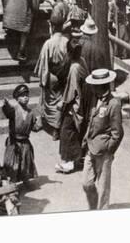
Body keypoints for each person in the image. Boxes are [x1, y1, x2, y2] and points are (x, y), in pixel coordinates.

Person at [81, 68, 124, 210]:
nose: (92, 87)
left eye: (94, 85)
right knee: (86, 183)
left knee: (104, 187)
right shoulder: (94, 98)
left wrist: (109, 149)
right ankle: (93, 208)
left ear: (101, 85)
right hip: (90, 147)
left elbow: (117, 132)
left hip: (104, 151)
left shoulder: (114, 103)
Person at [56, 32, 91, 174]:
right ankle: (77, 158)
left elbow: (72, 92)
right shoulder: (82, 61)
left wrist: (63, 104)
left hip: (75, 105)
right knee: (76, 132)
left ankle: (69, 162)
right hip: (84, 100)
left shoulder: (74, 68)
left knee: (67, 131)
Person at [34, 14, 70, 139]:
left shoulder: (49, 43)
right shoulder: (67, 41)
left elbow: (43, 63)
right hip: (64, 75)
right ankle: (57, 127)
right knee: (60, 99)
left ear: (52, 26)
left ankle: (50, 125)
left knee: (49, 100)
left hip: (52, 75)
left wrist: (43, 80)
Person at [2, 84, 40, 183]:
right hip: (14, 142)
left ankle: (25, 180)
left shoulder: (31, 113)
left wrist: (41, 123)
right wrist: (5, 105)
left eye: (27, 95)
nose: (25, 98)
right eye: (22, 96)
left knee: (25, 163)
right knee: (13, 164)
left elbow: (34, 128)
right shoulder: (13, 110)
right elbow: (7, 112)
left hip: (25, 142)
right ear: (17, 98)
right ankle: (12, 183)